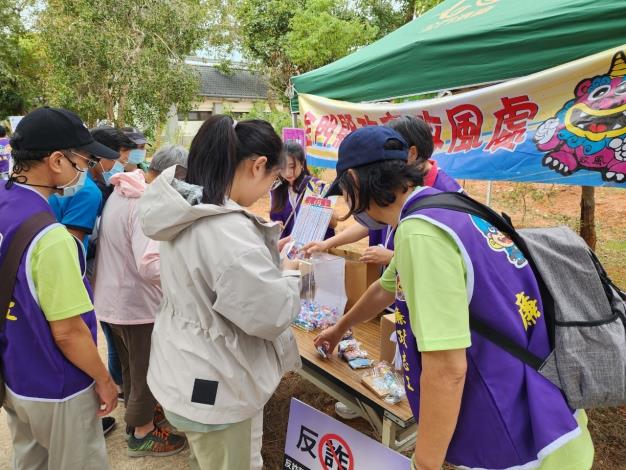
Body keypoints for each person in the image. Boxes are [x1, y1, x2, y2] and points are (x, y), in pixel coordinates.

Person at [314, 126, 594, 470]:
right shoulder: (444, 208)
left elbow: (446, 369)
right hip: (549, 408)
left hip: (518, 440)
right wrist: (340, 328)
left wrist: (425, 463)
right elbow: (385, 288)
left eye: (343, 190)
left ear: (355, 181)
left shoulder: (420, 233)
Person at [138, 115, 302, 470]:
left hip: (183, 368)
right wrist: (288, 275)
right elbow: (270, 315)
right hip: (218, 384)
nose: (267, 190)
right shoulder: (228, 232)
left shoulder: (186, 209)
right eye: (272, 178)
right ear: (258, 166)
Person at [0, 107, 119, 469]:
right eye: (82, 160)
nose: (84, 170)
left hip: (15, 374)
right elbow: (68, 332)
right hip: (58, 384)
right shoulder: (52, 238)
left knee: (31, 460)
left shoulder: (5, 203)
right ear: (55, 160)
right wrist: (104, 379)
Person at [94, 146, 189, 457]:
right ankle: (143, 433)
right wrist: (186, 270)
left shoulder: (124, 190)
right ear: (173, 177)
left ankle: (140, 419)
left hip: (113, 300)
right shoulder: (147, 202)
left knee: (131, 367)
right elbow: (149, 264)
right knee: (147, 368)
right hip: (135, 305)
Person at [304, 115, 462, 266]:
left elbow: (445, 259)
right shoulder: (393, 188)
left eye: (392, 147)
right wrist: (327, 243)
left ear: (412, 153)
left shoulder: (446, 197)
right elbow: (370, 220)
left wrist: (393, 257)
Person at [270, 141, 337, 240]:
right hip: (287, 249)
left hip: (313, 248)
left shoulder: (315, 186)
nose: (288, 173)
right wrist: (275, 225)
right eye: (282, 168)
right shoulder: (276, 189)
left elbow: (334, 223)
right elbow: (275, 219)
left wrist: (321, 203)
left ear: (302, 163)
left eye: (292, 166)